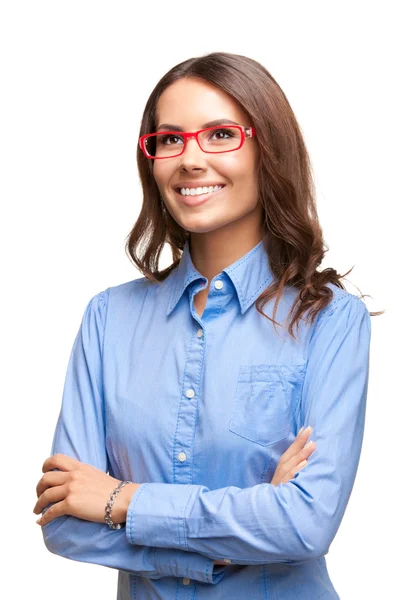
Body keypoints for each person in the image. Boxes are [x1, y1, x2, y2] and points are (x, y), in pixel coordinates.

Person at [34, 52, 381, 599]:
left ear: (269, 149)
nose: (190, 159)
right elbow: (65, 522)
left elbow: (306, 525)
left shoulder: (330, 319)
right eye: (169, 139)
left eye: (220, 134)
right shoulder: (108, 318)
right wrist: (248, 524)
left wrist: (122, 500)